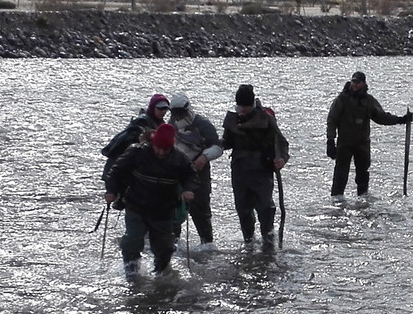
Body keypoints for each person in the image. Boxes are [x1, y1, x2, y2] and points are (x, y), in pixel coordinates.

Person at [103, 123, 198, 279]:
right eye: (158, 147)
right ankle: (132, 270)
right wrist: (111, 191)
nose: (161, 152)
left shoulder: (180, 159)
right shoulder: (137, 152)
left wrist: (188, 190)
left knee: (165, 246)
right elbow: (116, 171)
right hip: (136, 205)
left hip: (163, 209)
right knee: (133, 239)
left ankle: (161, 271)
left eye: (165, 149)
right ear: (153, 142)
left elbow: (191, 176)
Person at [221, 84, 290, 250]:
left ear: (252, 104)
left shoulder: (266, 119)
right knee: (243, 210)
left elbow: (282, 142)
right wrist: (212, 145)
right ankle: (249, 243)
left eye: (245, 106)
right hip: (239, 171)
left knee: (266, 209)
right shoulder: (233, 120)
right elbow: (227, 142)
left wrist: (281, 159)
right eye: (239, 106)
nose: (242, 110)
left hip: (262, 172)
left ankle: (268, 245)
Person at [326, 71, 413, 199]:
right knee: (340, 175)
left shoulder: (368, 101)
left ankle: (362, 202)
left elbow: (381, 117)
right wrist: (330, 141)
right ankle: (336, 202)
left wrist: (401, 120)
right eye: (353, 81)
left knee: (363, 176)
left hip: (362, 145)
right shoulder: (341, 99)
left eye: (357, 82)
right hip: (344, 144)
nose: (354, 85)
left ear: (363, 83)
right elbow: (332, 120)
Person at [169, 92, 222, 248]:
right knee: (174, 212)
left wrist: (204, 157)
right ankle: (174, 245)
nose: (178, 118)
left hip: (199, 175)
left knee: (201, 212)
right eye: (175, 114)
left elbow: (218, 147)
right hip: (176, 175)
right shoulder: (170, 126)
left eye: (181, 114)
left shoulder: (203, 125)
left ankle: (207, 244)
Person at [100, 93, 171, 183]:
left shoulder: (160, 123)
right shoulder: (141, 122)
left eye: (165, 109)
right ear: (153, 108)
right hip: (119, 166)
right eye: (160, 108)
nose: (163, 111)